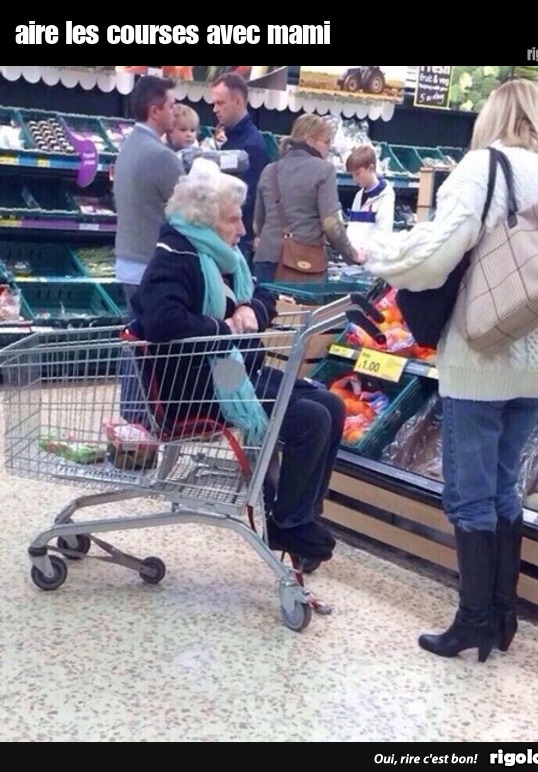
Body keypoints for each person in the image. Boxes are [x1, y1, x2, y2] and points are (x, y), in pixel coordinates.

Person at [366, 79, 538, 662]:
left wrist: (382, 255)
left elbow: (436, 257)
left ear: (491, 117)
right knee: (502, 487)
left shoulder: (482, 169)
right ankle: (502, 615)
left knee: (469, 495)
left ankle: (473, 621)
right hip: (536, 366)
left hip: (478, 358)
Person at [129, 158, 344, 568]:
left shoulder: (225, 258)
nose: (243, 229)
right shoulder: (174, 256)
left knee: (331, 405)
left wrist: (250, 311)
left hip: (231, 370)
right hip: (194, 384)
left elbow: (264, 298)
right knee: (309, 419)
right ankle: (287, 523)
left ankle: (301, 515)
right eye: (233, 220)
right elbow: (161, 322)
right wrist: (225, 326)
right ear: (205, 220)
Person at [253, 114, 363, 284]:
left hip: (266, 259)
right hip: (303, 263)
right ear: (310, 140)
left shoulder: (269, 170)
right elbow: (331, 224)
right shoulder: (324, 170)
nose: (329, 148)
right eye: (326, 142)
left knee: (264, 301)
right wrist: (352, 255)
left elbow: (257, 224)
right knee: (300, 303)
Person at [113, 74, 184, 316]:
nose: (176, 112)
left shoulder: (127, 148)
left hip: (127, 262)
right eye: (171, 106)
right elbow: (190, 212)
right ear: (155, 111)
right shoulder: (161, 156)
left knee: (134, 332)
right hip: (153, 265)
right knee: (156, 336)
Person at [210, 73, 270, 266]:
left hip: (235, 240)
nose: (215, 109)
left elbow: (244, 199)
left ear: (237, 101)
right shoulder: (234, 139)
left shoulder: (251, 145)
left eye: (220, 103)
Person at [345, 144, 395, 253]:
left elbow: (383, 233)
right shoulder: (358, 196)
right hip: (354, 258)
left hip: (372, 259)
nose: (354, 179)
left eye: (357, 173)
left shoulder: (385, 196)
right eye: (352, 175)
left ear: (371, 168)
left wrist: (365, 252)